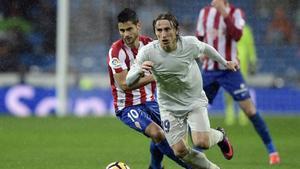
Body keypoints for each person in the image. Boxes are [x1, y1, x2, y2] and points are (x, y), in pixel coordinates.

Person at [126, 12, 236, 169]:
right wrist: (138, 72)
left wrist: (225, 63)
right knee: (179, 151)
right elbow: (129, 81)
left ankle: (220, 136)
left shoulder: (189, 44)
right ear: (155, 32)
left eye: (167, 29)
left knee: (201, 142)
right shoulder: (148, 52)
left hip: (193, 101)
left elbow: (206, 48)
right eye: (159, 31)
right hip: (169, 107)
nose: (163, 34)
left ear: (176, 30)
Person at [195, 0, 280, 165]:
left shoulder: (236, 13)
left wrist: (224, 13)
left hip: (230, 70)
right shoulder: (204, 12)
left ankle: (272, 150)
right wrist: (200, 53)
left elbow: (237, 35)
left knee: (249, 109)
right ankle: (198, 149)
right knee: (196, 108)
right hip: (209, 70)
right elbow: (199, 37)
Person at [107, 8, 190, 169]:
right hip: (127, 106)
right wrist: (154, 77)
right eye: (122, 30)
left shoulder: (150, 45)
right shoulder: (116, 52)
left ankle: (154, 167)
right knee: (157, 133)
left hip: (151, 101)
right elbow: (124, 85)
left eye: (129, 29)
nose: (126, 34)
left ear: (138, 26)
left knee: (170, 135)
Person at [224, 23, 257, 126]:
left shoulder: (245, 30)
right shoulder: (228, 28)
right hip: (229, 60)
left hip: (242, 62)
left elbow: (250, 46)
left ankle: (242, 116)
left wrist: (252, 60)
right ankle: (230, 116)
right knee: (230, 90)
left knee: (241, 90)